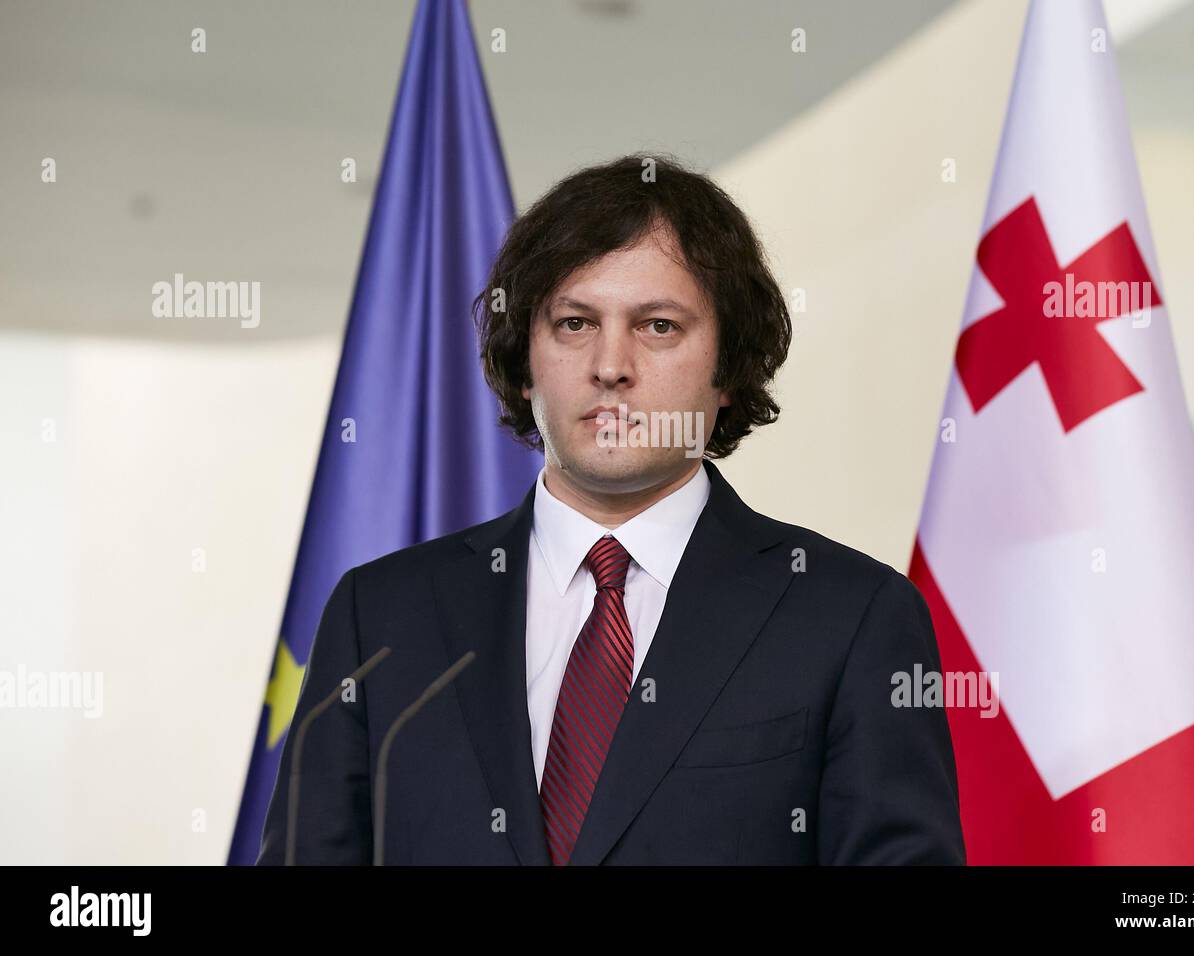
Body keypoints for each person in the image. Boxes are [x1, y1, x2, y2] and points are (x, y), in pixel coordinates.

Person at [257, 154, 964, 865]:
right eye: (573, 323)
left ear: (729, 369)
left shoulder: (853, 617)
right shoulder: (379, 613)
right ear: (525, 360)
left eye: (658, 325)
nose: (610, 364)